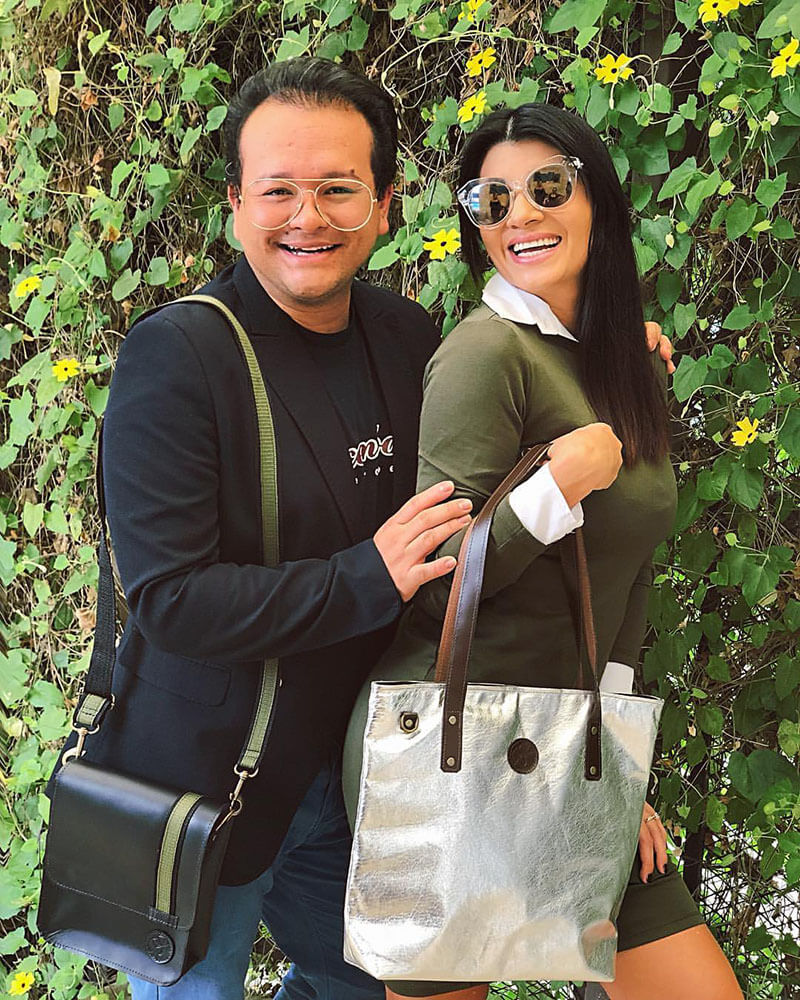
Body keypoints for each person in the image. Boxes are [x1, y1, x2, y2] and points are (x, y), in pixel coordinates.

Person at [50, 60, 671, 999]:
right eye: (280, 191)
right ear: (234, 205)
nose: (309, 216)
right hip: (213, 791)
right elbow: (171, 601)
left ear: (383, 205)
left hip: (367, 782)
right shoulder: (178, 356)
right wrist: (367, 576)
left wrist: (608, 358)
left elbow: (501, 469)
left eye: (339, 188)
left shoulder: (404, 334)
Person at [342, 104, 744, 1000]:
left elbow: (625, 577)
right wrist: (555, 488)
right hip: (455, 757)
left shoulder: (620, 364)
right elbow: (436, 594)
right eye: (491, 199)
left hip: (571, 756)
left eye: (547, 187)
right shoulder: (483, 357)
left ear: (594, 196)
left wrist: (613, 764)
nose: (519, 214)